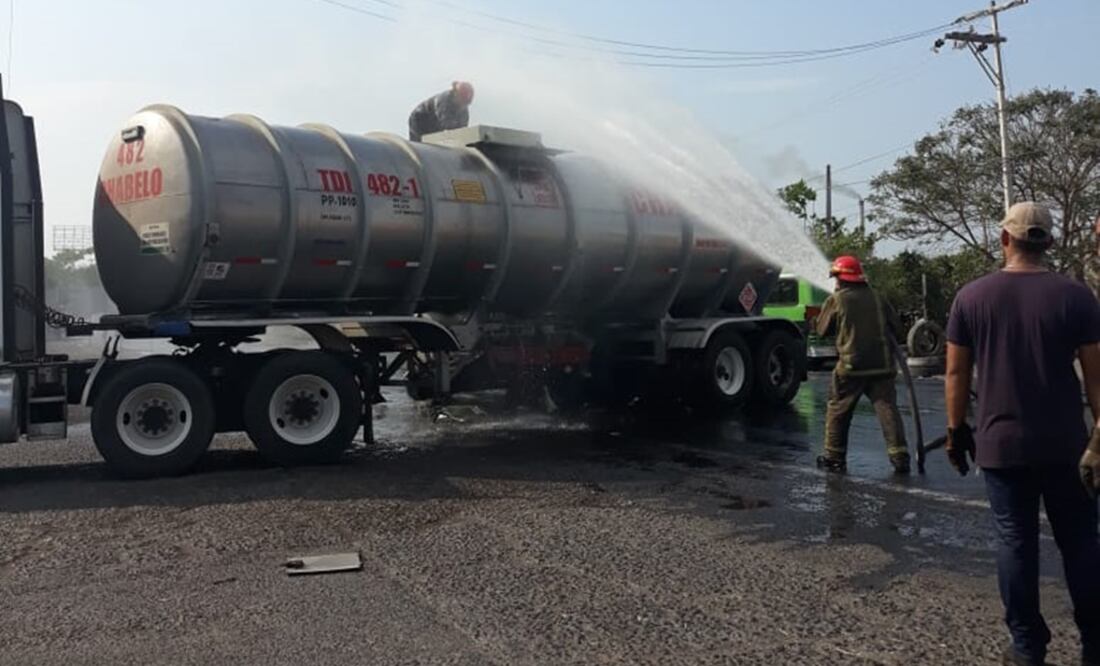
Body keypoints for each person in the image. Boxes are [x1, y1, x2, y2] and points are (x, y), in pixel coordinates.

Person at [944, 201, 1100, 666]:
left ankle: (1028, 648)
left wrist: (956, 431)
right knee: (1081, 541)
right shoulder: (1077, 297)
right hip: (1067, 445)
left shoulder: (970, 297)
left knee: (1015, 542)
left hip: (1000, 445)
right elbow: (1096, 377)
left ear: (1004, 239)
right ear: (1049, 243)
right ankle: (1095, 644)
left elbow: (955, 373)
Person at [814, 255, 910, 474]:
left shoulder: (836, 300)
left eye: (836, 277)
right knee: (888, 410)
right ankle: (900, 457)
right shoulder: (878, 298)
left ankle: (834, 457)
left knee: (838, 409)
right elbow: (897, 329)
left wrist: (818, 321)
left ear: (841, 278)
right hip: (882, 366)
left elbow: (821, 330)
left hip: (851, 367)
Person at [408, 81, 475, 142]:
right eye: (462, 101)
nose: (463, 105)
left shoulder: (463, 109)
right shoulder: (444, 100)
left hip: (434, 123)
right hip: (420, 118)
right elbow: (445, 123)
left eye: (466, 103)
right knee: (419, 144)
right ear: (456, 94)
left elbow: (463, 130)